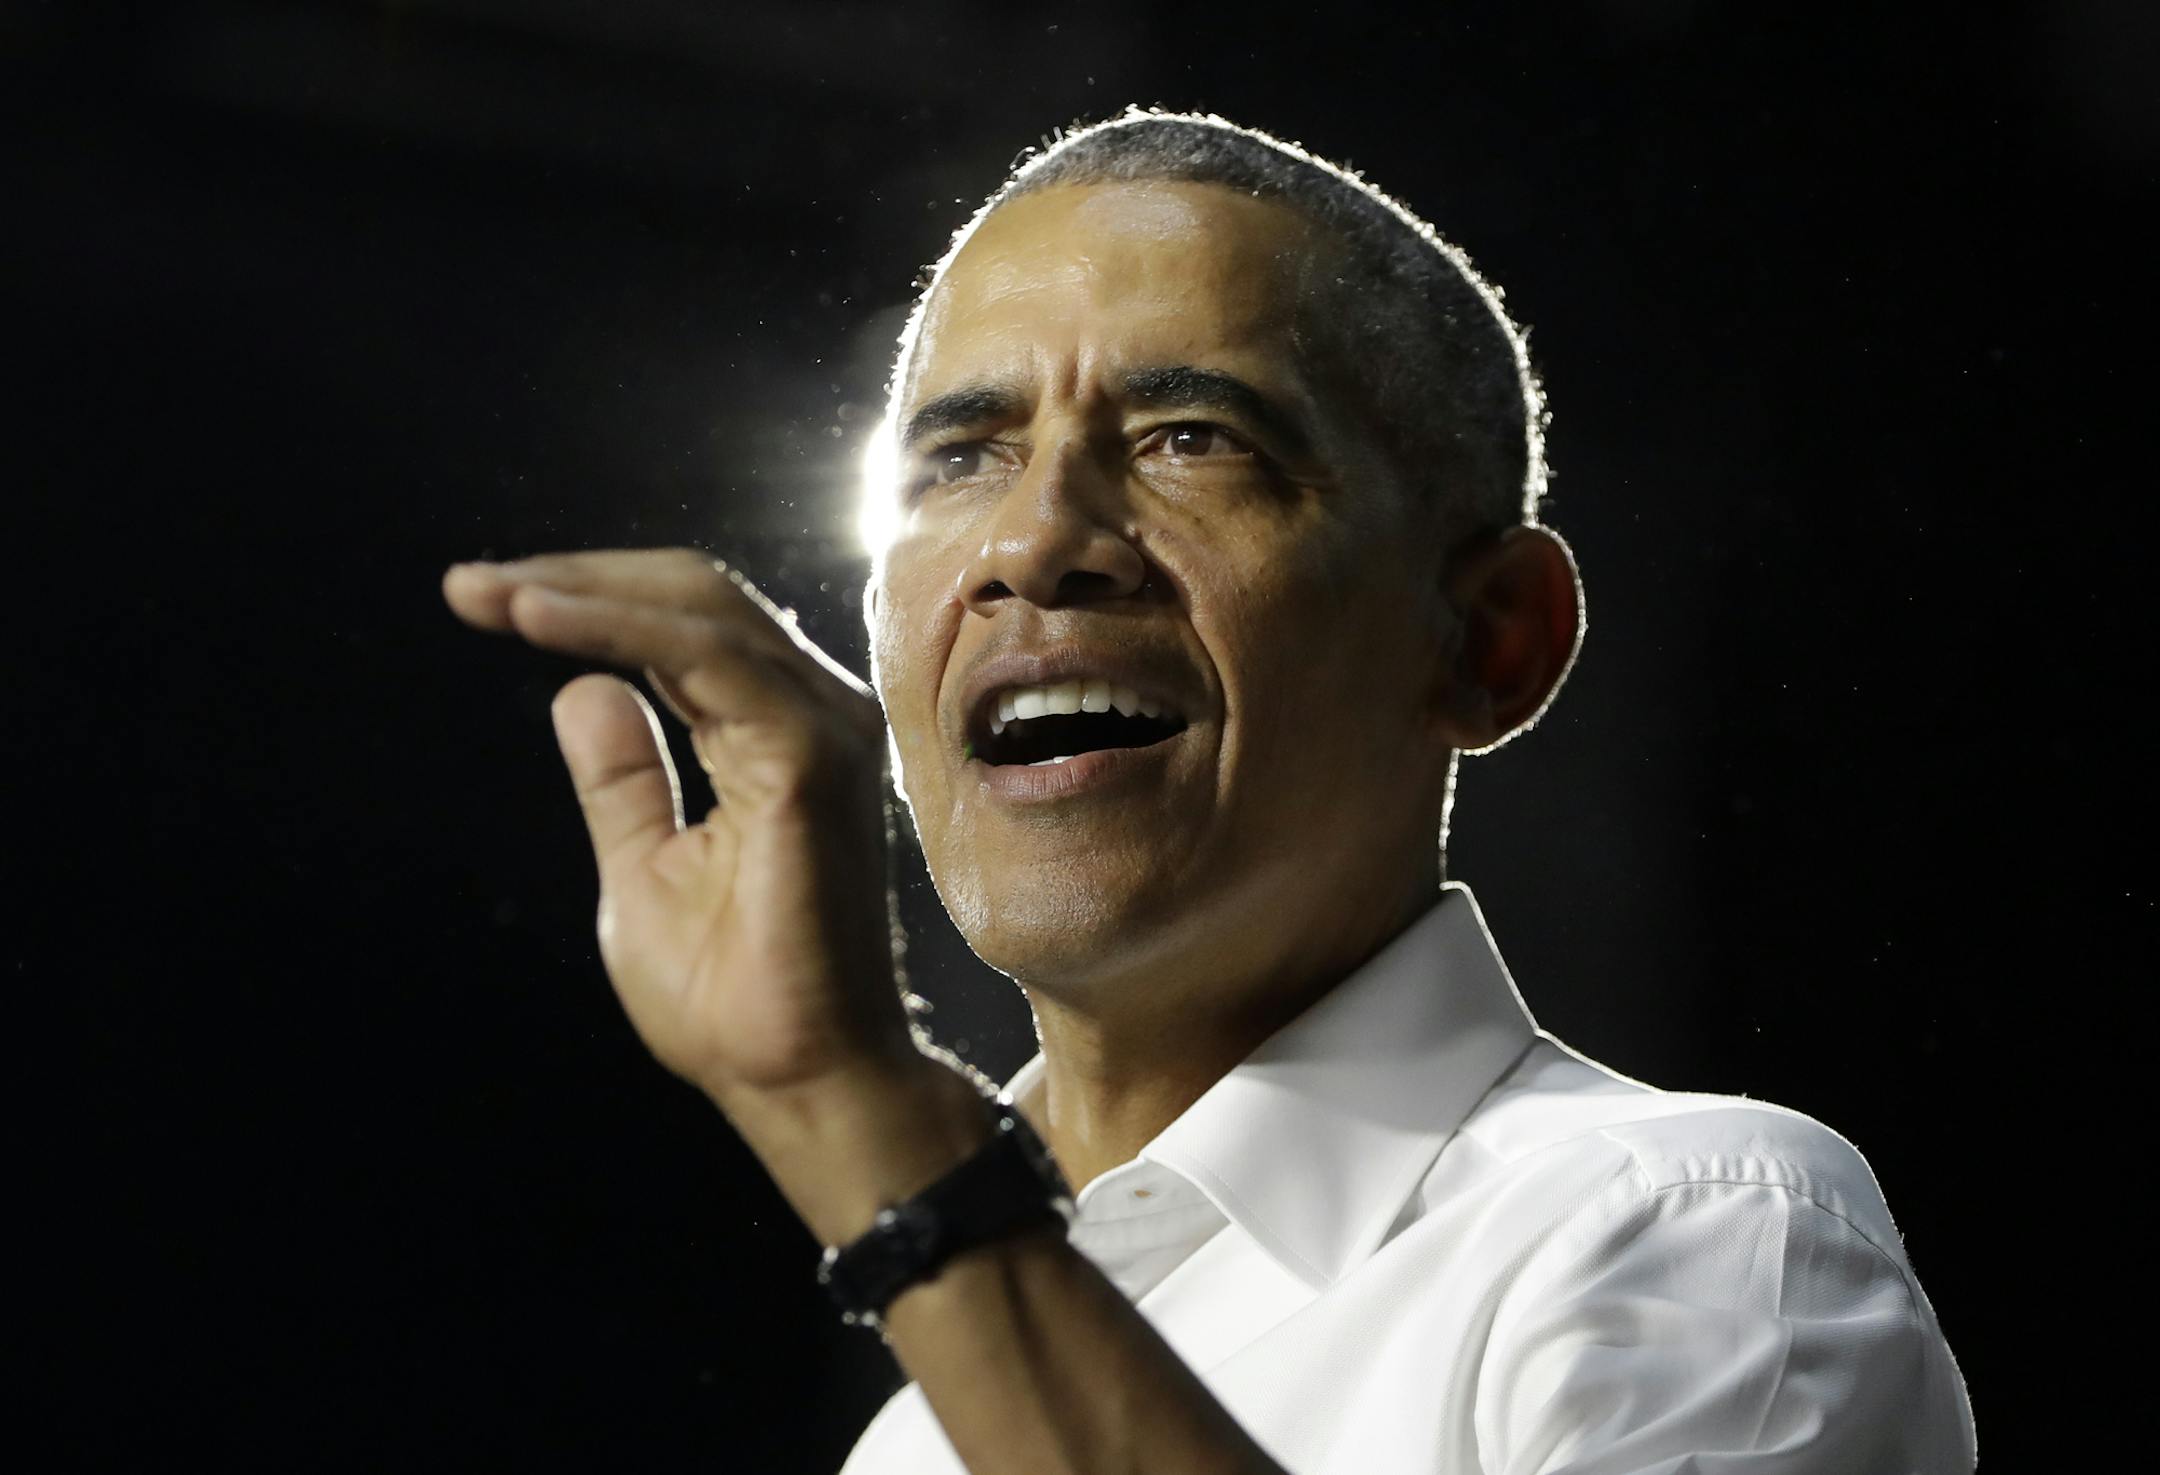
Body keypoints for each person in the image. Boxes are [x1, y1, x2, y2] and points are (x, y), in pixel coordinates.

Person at [441, 109, 1974, 1473]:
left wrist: (861, 1117)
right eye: (961, 459)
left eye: (1193, 440)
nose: (1037, 542)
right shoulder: (919, 1437)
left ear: (1493, 639)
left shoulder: (1689, 1240)